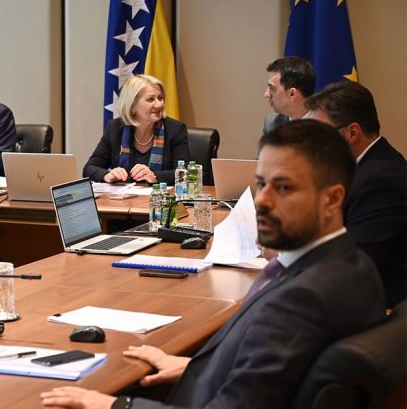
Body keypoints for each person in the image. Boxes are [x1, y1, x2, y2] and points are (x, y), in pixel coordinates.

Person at [41, 120, 386, 409]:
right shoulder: (353, 265)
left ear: (332, 199)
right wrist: (196, 366)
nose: (262, 200)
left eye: (283, 187)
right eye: (261, 184)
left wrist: (114, 405)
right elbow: (276, 373)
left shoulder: (303, 300)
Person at [305, 80, 406, 308]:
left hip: (378, 310)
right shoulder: (365, 166)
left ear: (352, 132)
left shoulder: (379, 180)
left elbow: (354, 268)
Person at [83, 75, 189, 184]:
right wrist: (107, 175)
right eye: (151, 99)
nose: (159, 104)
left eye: (160, 98)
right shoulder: (115, 128)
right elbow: (89, 169)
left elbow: (185, 173)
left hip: (159, 194)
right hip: (124, 194)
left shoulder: (174, 129)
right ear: (133, 105)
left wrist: (155, 176)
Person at [262, 56, 315, 135]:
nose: (266, 94)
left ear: (292, 93)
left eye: (272, 88)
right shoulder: (271, 123)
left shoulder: (326, 124)